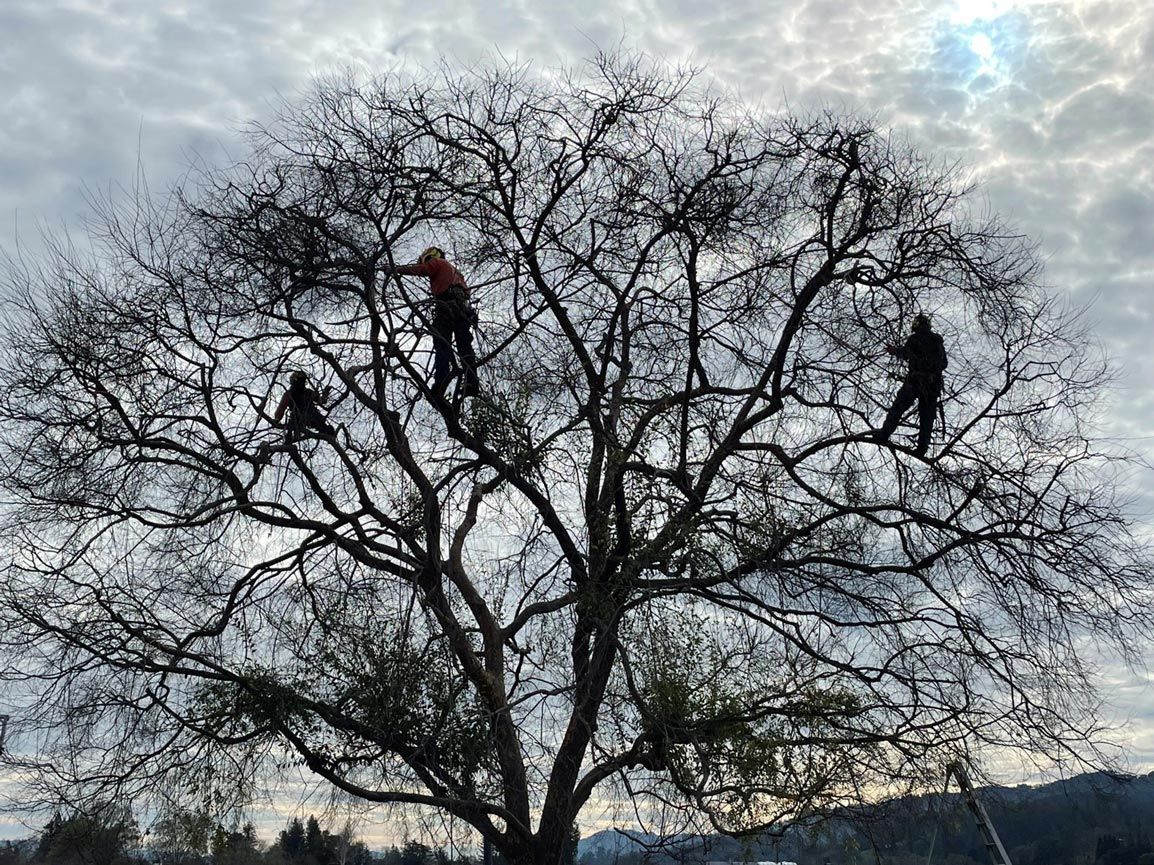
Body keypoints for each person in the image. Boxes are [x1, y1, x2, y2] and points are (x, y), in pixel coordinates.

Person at [388, 246, 480, 400]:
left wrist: (397, 269)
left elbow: (424, 270)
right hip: (463, 310)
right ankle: (472, 383)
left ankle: (440, 383)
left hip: (446, 307)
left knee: (442, 344)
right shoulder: (456, 272)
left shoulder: (437, 262)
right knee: (465, 347)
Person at [874, 313, 947, 456]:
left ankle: (884, 435)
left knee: (897, 408)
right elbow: (944, 363)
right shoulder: (937, 341)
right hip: (932, 386)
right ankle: (922, 449)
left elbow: (906, 353)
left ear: (916, 326)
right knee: (927, 417)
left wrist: (895, 351)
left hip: (915, 383)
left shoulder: (915, 339)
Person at [273, 370, 335, 441]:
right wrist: (276, 420)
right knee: (290, 431)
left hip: (310, 417)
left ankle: (330, 435)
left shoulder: (305, 393)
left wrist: (325, 393)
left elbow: (321, 401)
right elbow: (280, 410)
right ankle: (291, 437)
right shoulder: (291, 394)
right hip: (301, 418)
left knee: (328, 430)